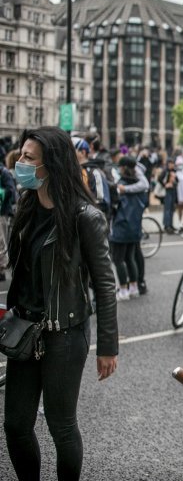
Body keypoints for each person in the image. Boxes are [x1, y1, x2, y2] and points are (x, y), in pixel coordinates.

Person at [3, 126, 118, 480]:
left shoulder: (85, 217)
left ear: (50, 165)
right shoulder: (25, 206)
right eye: (21, 155)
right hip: (25, 330)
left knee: (61, 425)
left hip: (64, 334)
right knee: (16, 425)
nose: (19, 162)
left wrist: (108, 347)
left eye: (28, 157)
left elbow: (104, 284)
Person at [109, 156, 148, 301]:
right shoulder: (140, 186)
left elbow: (113, 206)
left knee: (118, 259)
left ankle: (123, 290)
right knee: (130, 258)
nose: (118, 169)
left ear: (124, 168)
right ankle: (134, 287)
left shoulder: (120, 185)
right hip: (135, 227)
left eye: (120, 166)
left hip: (121, 226)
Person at [159, 159, 178, 233]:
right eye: (170, 163)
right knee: (167, 209)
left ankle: (171, 224)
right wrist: (165, 185)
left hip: (173, 190)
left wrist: (174, 179)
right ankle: (166, 225)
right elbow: (159, 179)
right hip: (167, 191)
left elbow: (177, 181)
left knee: (172, 209)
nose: (172, 165)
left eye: (173, 163)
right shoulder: (165, 171)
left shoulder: (174, 171)